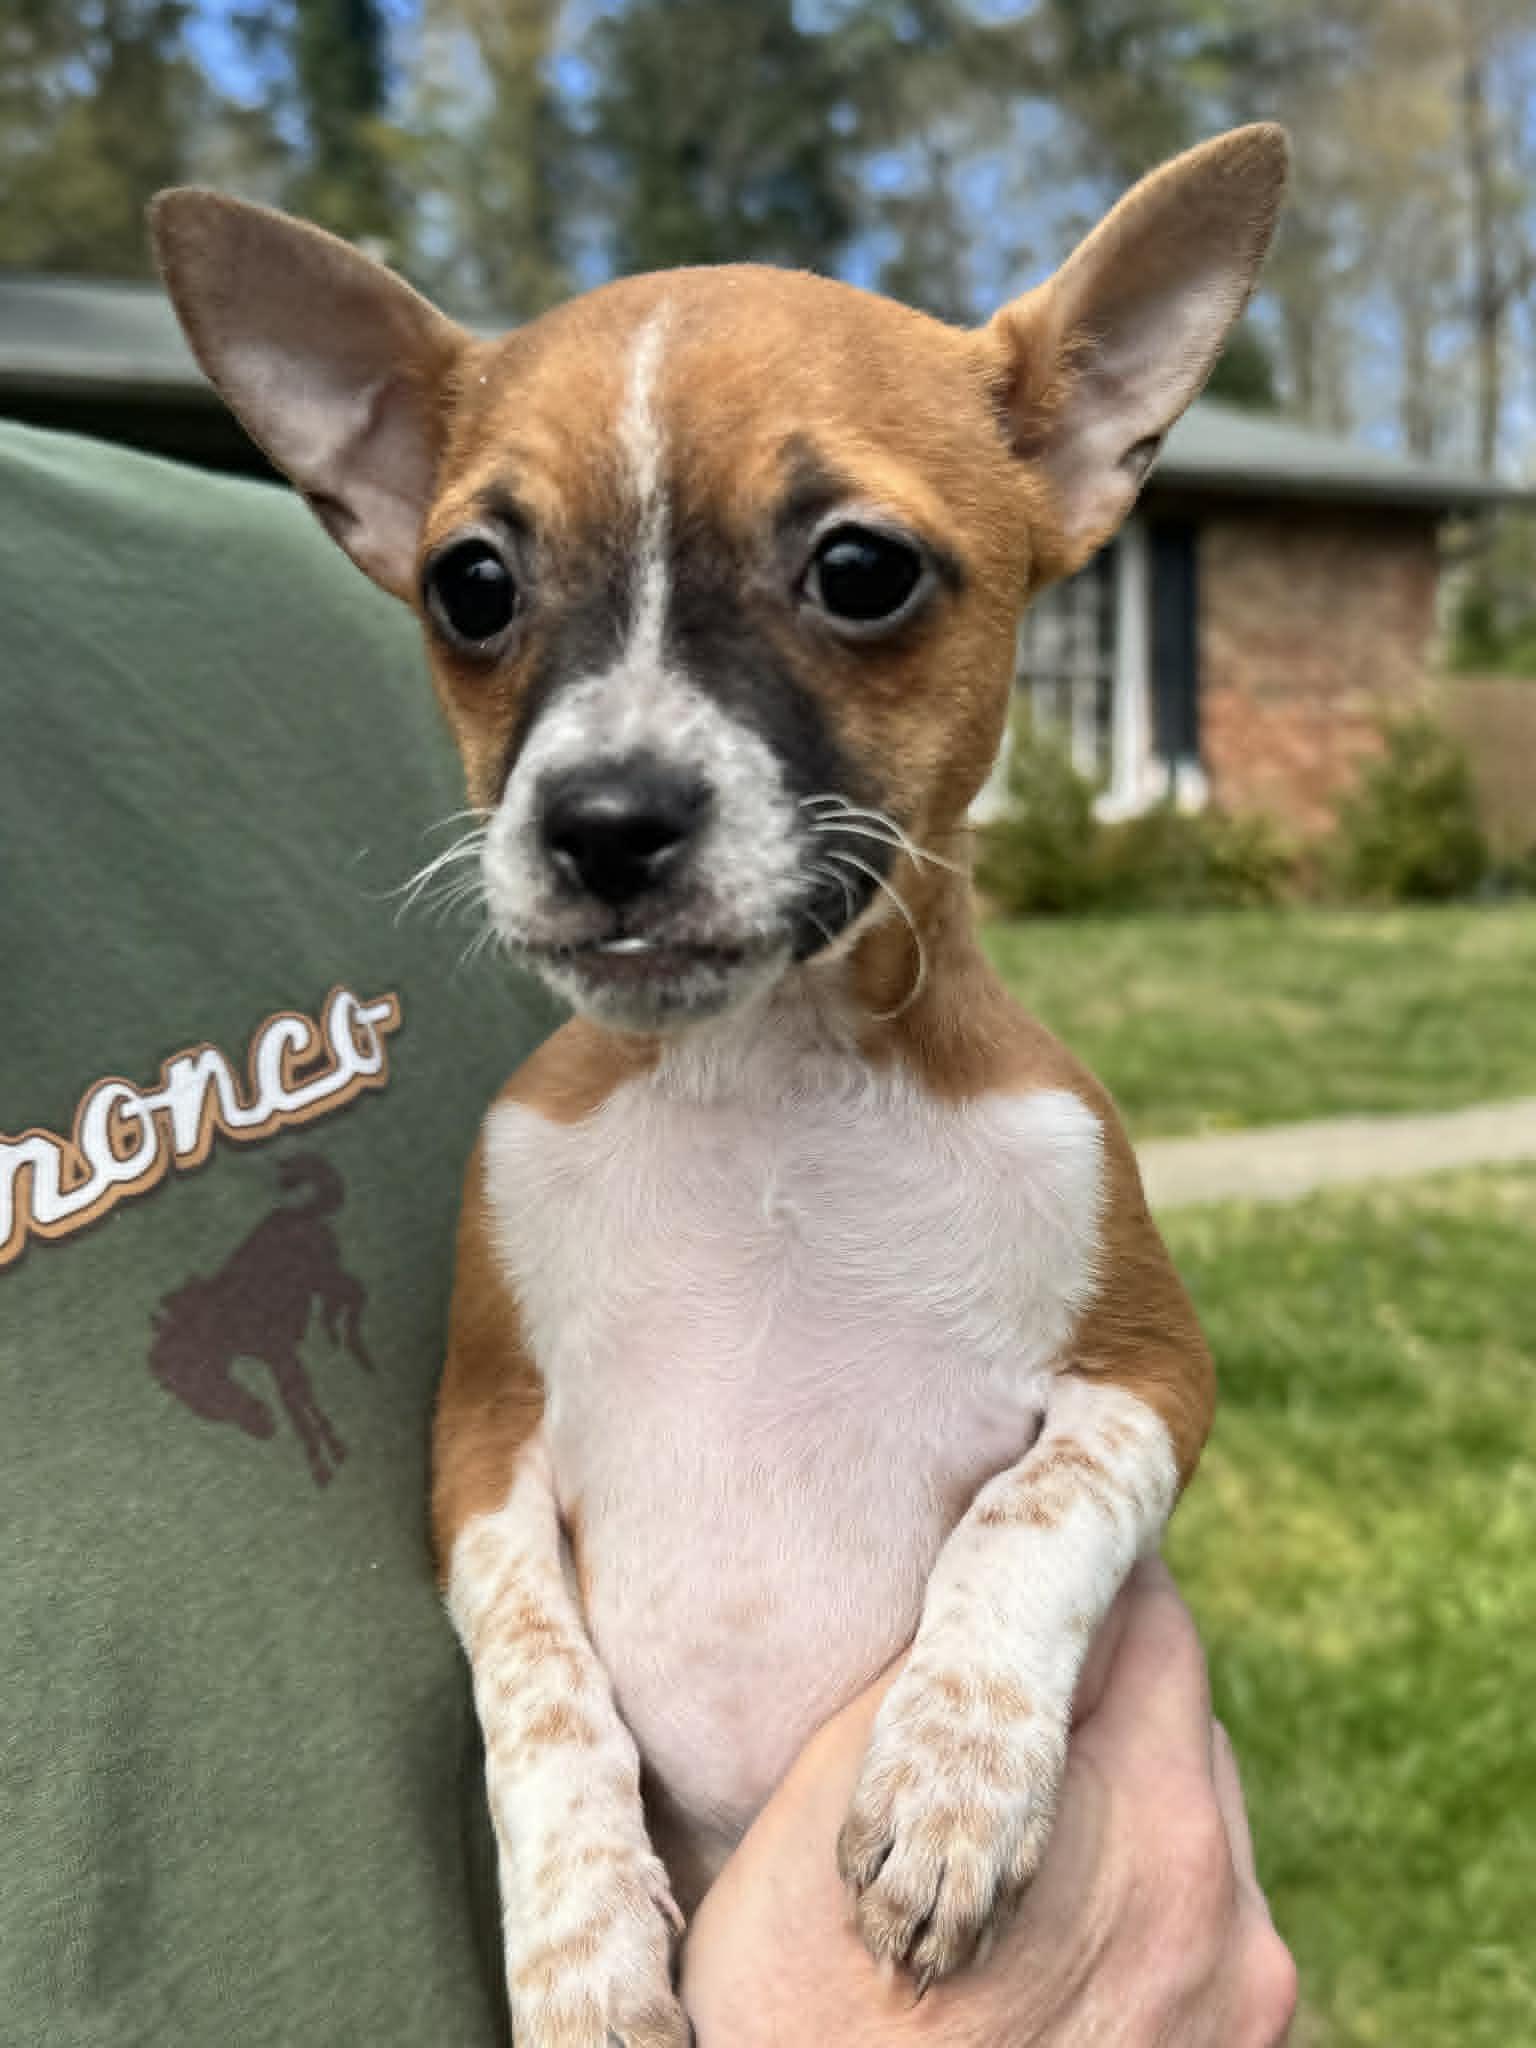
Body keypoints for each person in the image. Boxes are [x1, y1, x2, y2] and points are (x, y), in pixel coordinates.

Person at [0, 418, 1294, 2044]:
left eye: (854, 576)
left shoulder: (1036, 1137)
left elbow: (1145, 1384)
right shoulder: (536, 1149)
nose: (614, 768)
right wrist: (572, 1842)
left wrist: (998, 1652)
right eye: (482, 589)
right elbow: (493, 1463)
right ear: (385, 513)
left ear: (1073, 456)